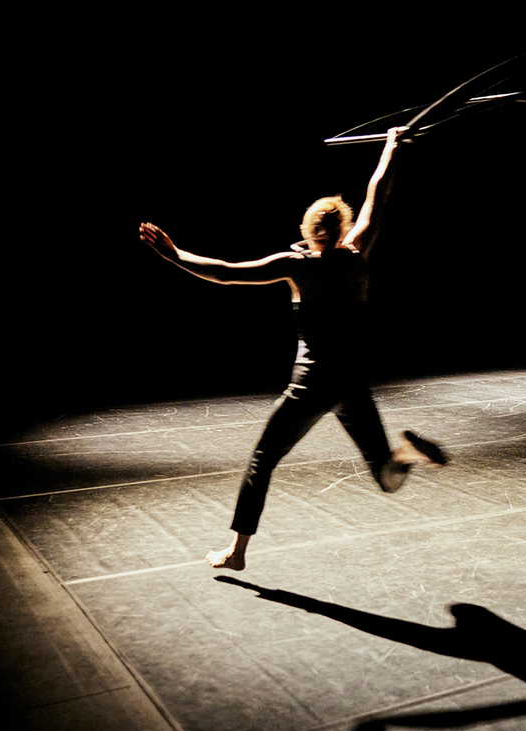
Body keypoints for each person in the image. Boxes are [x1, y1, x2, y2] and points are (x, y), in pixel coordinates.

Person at [139, 126, 446, 571]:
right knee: (386, 477)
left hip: (312, 382)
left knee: (262, 460)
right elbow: (377, 193)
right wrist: (392, 147)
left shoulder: (298, 266)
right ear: (343, 226)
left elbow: (226, 273)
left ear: (309, 229)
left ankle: (236, 552)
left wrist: (175, 255)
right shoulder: (357, 253)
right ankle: (405, 454)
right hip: (350, 382)